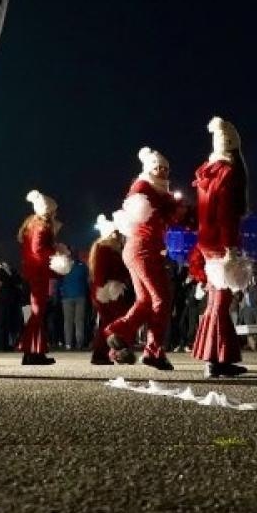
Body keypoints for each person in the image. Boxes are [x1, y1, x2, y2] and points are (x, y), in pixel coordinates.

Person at [102, 147, 180, 371]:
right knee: (161, 299)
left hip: (141, 249)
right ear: (148, 168)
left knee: (145, 301)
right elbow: (139, 205)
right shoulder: (144, 187)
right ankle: (153, 351)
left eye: (166, 169)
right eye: (157, 167)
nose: (163, 172)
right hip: (143, 249)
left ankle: (119, 335)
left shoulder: (157, 192)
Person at [191, 117, 251, 379]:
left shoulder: (208, 172)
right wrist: (230, 247)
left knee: (216, 300)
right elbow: (226, 212)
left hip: (207, 242)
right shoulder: (229, 173)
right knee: (220, 302)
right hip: (221, 244)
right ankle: (214, 359)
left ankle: (217, 357)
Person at [17, 190, 67, 366]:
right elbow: (38, 251)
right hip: (38, 273)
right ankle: (32, 352)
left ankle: (33, 352)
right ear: (48, 211)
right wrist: (57, 252)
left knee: (38, 313)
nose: (56, 214)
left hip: (35, 272)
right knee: (38, 313)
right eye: (54, 211)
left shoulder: (33, 225)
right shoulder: (41, 226)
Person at [88, 215, 132, 364]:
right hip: (108, 291)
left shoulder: (105, 248)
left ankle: (106, 353)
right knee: (110, 323)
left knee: (108, 323)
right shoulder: (104, 248)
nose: (118, 236)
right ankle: (103, 353)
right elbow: (101, 272)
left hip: (108, 290)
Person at [60, 241, 91, 351]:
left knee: (72, 321)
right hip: (75, 296)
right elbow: (88, 281)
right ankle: (76, 343)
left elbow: (88, 280)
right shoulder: (79, 266)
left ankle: (73, 343)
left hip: (73, 296)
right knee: (76, 321)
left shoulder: (65, 266)